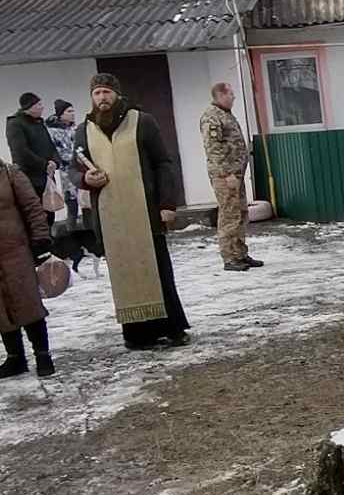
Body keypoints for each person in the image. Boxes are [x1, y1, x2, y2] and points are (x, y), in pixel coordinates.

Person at [73, 73, 189, 350]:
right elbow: (74, 169)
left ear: (117, 94)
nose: (102, 98)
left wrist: (167, 204)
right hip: (111, 216)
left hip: (145, 212)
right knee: (125, 275)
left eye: (107, 92)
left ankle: (172, 328)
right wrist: (86, 180)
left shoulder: (141, 121)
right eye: (97, 93)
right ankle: (137, 334)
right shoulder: (84, 129)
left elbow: (163, 163)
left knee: (158, 270)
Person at [0, 161, 56, 379]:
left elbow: (32, 206)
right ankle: (15, 358)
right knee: (1, 308)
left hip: (15, 251)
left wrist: (40, 238)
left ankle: (43, 355)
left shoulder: (9, 173)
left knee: (28, 301)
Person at [200, 82, 262, 272]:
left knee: (241, 213)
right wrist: (226, 174)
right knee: (229, 215)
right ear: (220, 95)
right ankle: (229, 258)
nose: (234, 97)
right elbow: (214, 150)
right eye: (231, 94)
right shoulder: (212, 116)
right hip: (225, 177)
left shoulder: (226, 114)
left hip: (236, 175)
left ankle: (240, 253)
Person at [6, 93, 59, 207]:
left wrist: (54, 161)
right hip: (29, 177)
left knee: (49, 211)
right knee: (35, 212)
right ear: (30, 106)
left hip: (47, 176)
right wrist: (44, 164)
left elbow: (50, 145)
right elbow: (21, 152)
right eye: (39, 104)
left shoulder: (39, 122)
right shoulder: (15, 124)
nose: (42, 107)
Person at [45, 100, 80, 233]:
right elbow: (53, 152)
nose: (73, 114)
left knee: (87, 205)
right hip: (66, 173)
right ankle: (73, 240)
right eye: (69, 111)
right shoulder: (52, 131)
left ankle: (90, 240)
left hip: (82, 169)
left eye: (73, 111)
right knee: (72, 208)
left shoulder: (75, 129)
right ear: (61, 114)